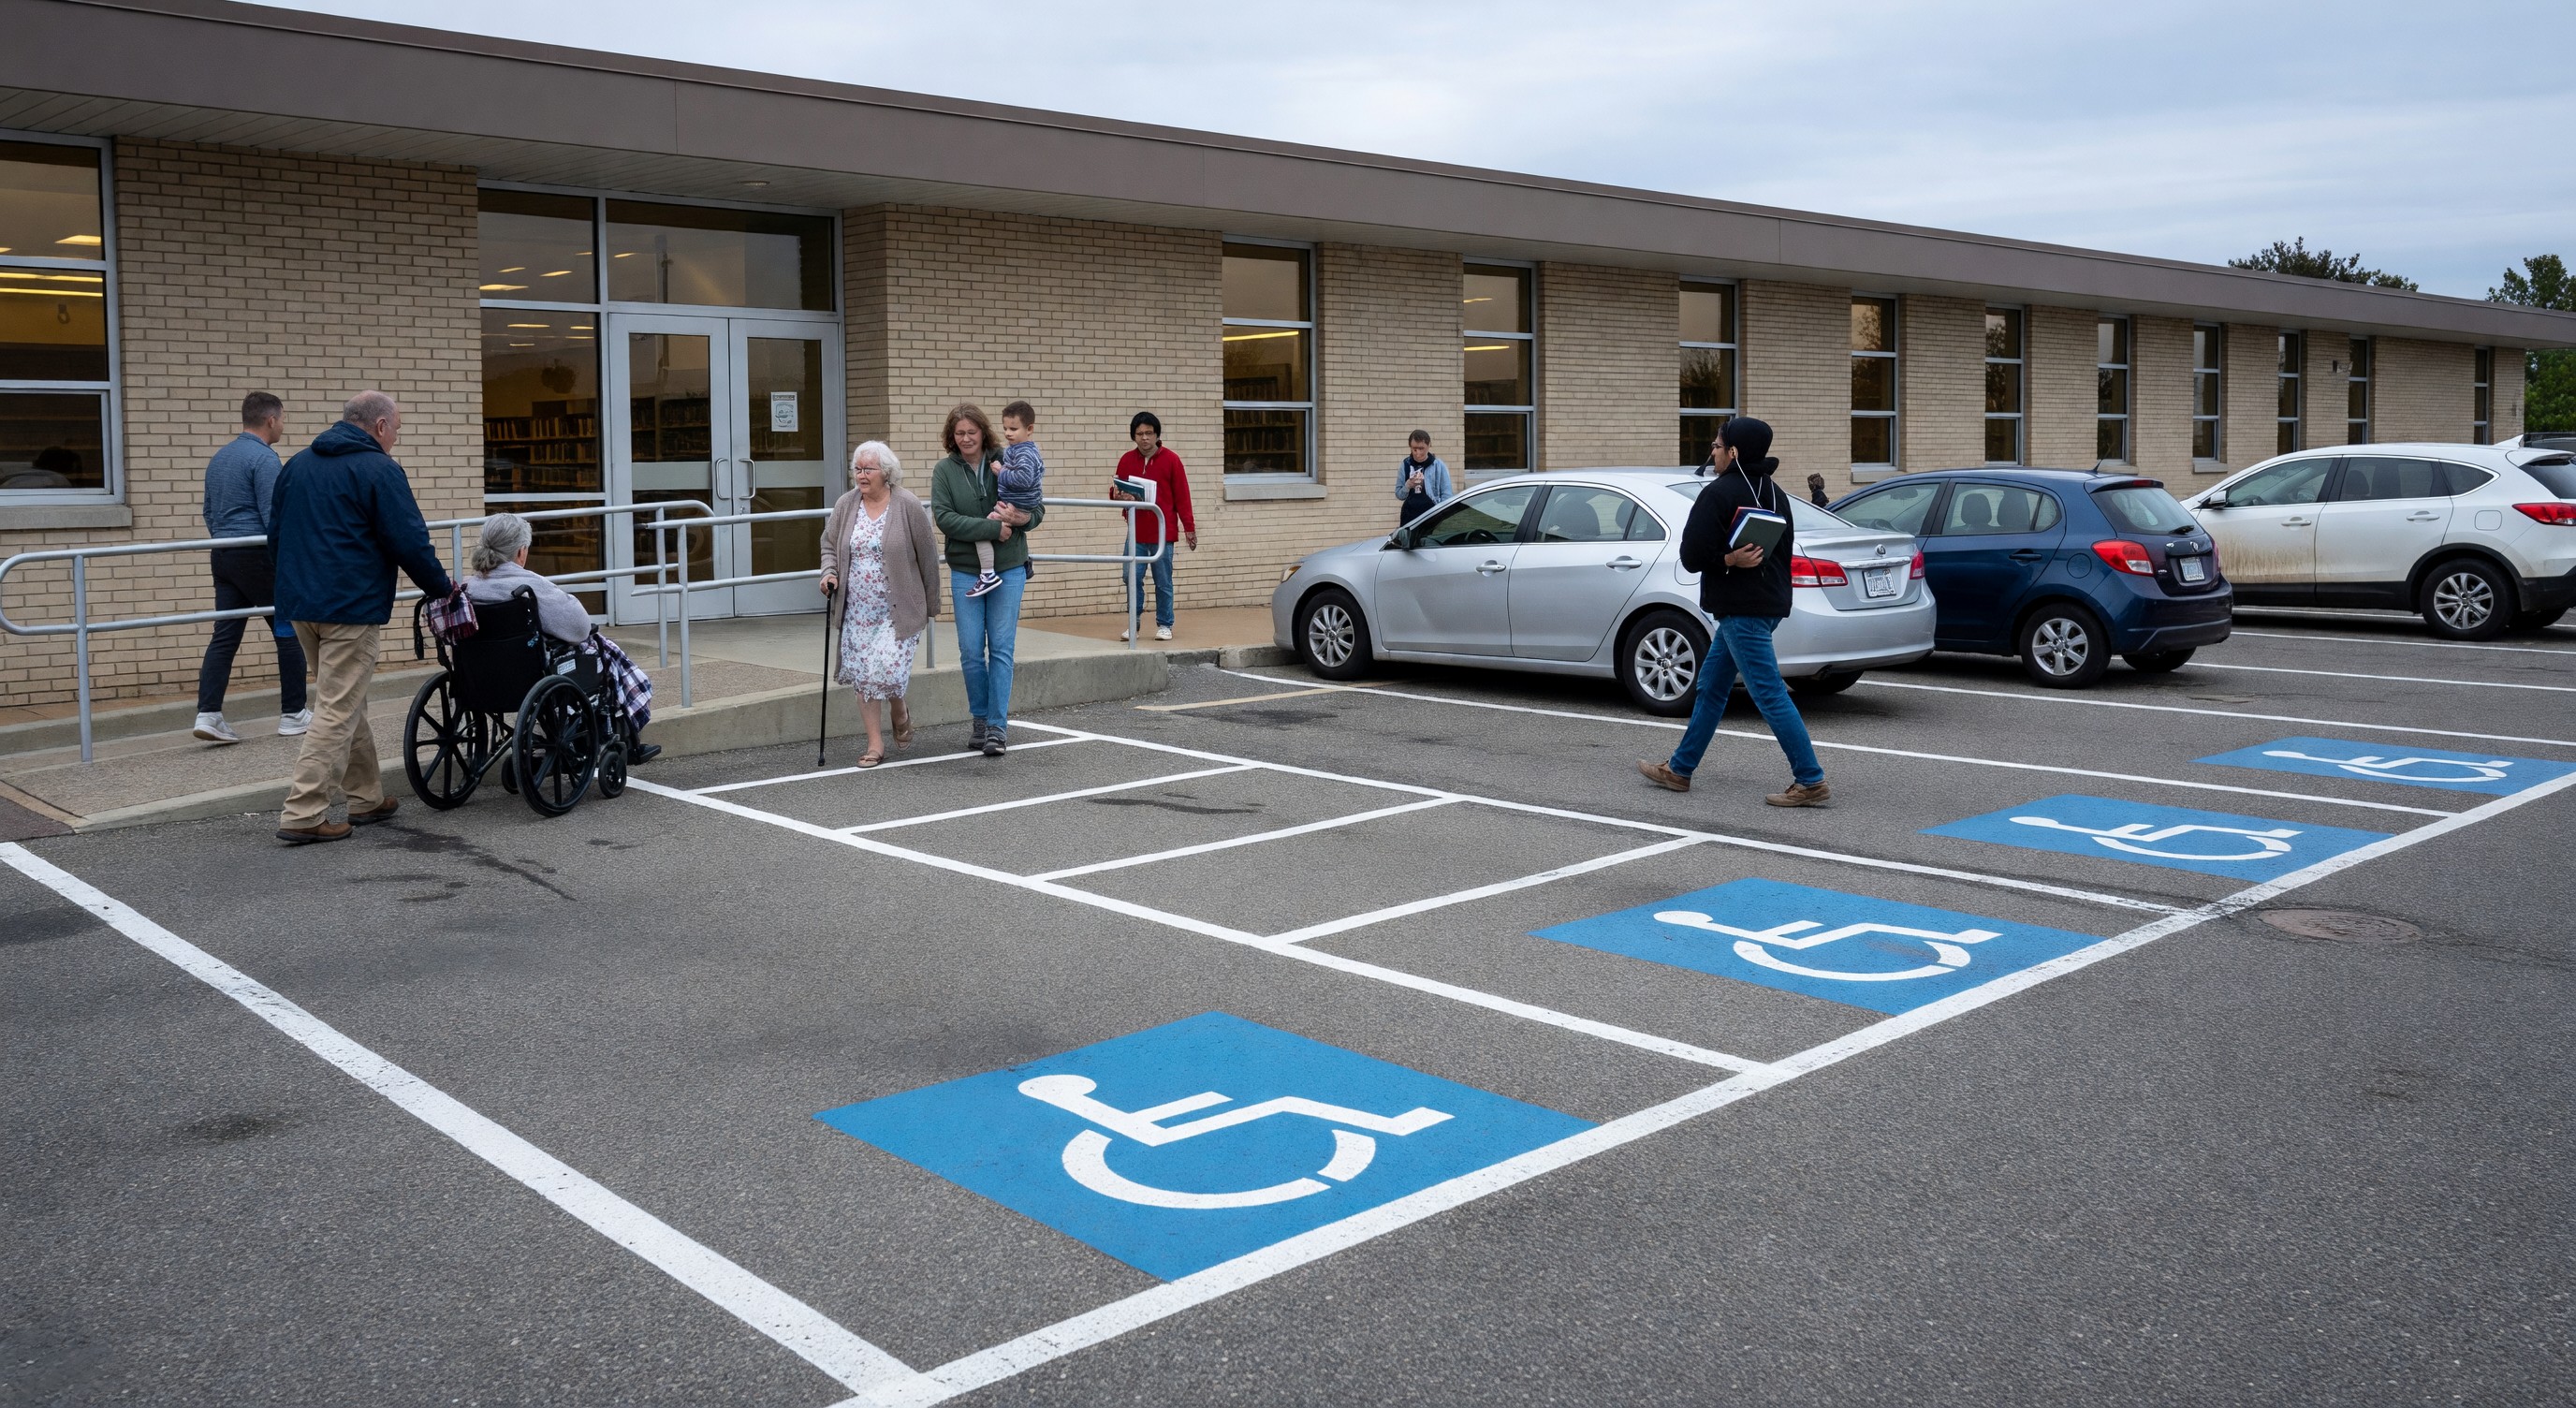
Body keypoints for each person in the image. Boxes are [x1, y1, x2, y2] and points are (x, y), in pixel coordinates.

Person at [267, 390, 453, 844]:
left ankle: (366, 797)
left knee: (346, 700)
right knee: (337, 708)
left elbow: (276, 534)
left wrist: (292, 587)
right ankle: (304, 811)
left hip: (301, 604)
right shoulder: (379, 469)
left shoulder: (297, 465)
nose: (397, 441)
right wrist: (443, 590)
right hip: (349, 605)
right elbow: (409, 541)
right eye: (398, 431)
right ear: (381, 426)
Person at [1637, 417, 1830, 807]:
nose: (1712, 450)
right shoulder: (1775, 493)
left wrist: (1727, 559)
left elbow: (1691, 557)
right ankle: (1680, 768)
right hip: (1767, 603)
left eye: (1717, 444)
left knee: (1769, 692)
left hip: (1743, 609)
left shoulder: (1719, 493)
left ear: (1734, 452)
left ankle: (1810, 780)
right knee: (1711, 687)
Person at [461, 512, 661, 762]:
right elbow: (579, 628)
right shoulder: (530, 587)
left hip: (479, 678)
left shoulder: (468, 588)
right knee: (605, 652)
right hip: (529, 676)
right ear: (521, 552)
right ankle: (624, 734)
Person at [194, 391, 310, 745]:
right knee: (288, 625)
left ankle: (209, 714)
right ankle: (294, 713)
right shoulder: (264, 459)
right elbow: (274, 517)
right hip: (256, 552)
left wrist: (225, 540)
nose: (284, 426)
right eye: (283, 419)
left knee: (225, 635)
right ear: (271, 420)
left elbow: (209, 512)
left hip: (223, 553)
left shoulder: (220, 457)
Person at [818, 441, 942, 767]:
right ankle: (875, 744)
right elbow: (829, 545)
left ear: (885, 472)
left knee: (884, 669)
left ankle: (898, 708)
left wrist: (932, 604)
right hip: (857, 609)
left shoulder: (907, 505)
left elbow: (928, 556)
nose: (861, 475)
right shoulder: (846, 505)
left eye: (868, 469)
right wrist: (829, 574)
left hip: (897, 609)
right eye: (857, 469)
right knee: (863, 676)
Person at [929, 403, 1041, 756]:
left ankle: (997, 727)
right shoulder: (944, 471)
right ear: (952, 436)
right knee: (970, 650)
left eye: (971, 432)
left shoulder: (1007, 458)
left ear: (983, 432)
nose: (965, 439)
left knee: (1002, 649)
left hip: (1009, 567)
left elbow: (1036, 508)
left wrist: (1021, 520)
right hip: (966, 570)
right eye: (959, 433)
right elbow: (945, 519)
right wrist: (993, 527)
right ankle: (979, 719)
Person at [1112, 410, 1195, 641]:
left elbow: (1182, 496)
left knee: (1163, 581)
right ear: (1134, 436)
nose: (1144, 438)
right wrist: (1120, 496)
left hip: (1163, 532)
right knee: (1130, 577)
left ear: (1157, 434)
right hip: (1136, 532)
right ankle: (1133, 623)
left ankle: (1165, 624)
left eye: (1149, 433)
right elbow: (1114, 491)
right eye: (1139, 434)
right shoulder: (1127, 460)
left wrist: (1189, 527)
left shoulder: (1171, 459)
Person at [968, 400, 1046, 597]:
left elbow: (1024, 478)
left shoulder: (1025, 452)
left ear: (1029, 429)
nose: (1008, 433)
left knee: (983, 530)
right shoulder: (1019, 449)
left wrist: (1000, 471)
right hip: (1019, 501)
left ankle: (987, 574)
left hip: (1019, 503)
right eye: (1005, 428)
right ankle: (1022, 562)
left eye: (1013, 428)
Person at [1396, 430, 1452, 524]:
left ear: (1429, 445)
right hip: (1409, 516)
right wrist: (1408, 485)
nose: (1418, 453)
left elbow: (1447, 495)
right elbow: (1399, 495)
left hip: (1432, 515)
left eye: (1422, 449)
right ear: (1410, 447)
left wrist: (1440, 515)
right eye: (1414, 449)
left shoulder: (1438, 465)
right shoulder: (1405, 464)